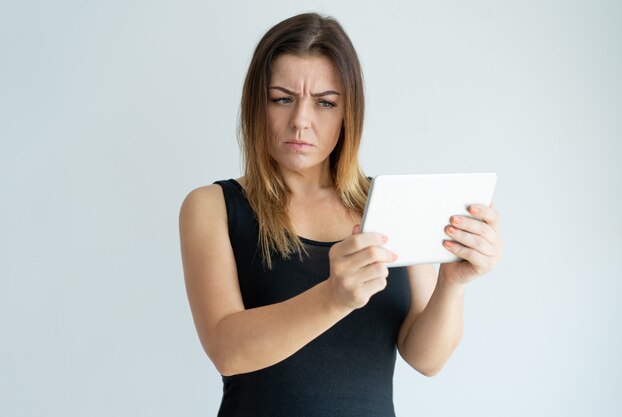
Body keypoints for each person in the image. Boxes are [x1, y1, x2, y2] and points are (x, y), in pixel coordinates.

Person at [179, 12, 503, 417]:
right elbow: (227, 351)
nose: (301, 121)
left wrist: (453, 283)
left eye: (325, 103)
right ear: (255, 106)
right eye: (282, 98)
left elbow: (426, 359)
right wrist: (334, 297)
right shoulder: (212, 206)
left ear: (348, 112)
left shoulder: (390, 203)